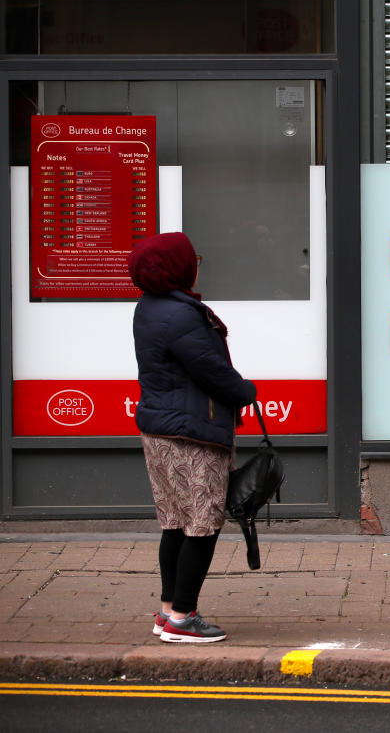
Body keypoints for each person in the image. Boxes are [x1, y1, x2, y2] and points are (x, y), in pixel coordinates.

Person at [129, 231, 256, 643]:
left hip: (161, 430)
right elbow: (213, 373)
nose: (197, 263)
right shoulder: (182, 315)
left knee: (174, 522)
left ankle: (168, 611)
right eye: (192, 257)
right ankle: (183, 618)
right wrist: (246, 392)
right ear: (175, 267)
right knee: (202, 524)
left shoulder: (149, 306)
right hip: (191, 436)